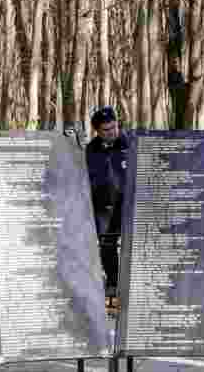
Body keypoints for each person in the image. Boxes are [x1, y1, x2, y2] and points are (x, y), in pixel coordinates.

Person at [85, 105, 129, 292]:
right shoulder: (90, 150)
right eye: (106, 130)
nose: (112, 132)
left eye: (114, 127)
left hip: (129, 204)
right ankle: (113, 282)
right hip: (104, 207)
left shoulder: (132, 143)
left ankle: (134, 283)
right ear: (97, 131)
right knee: (107, 245)